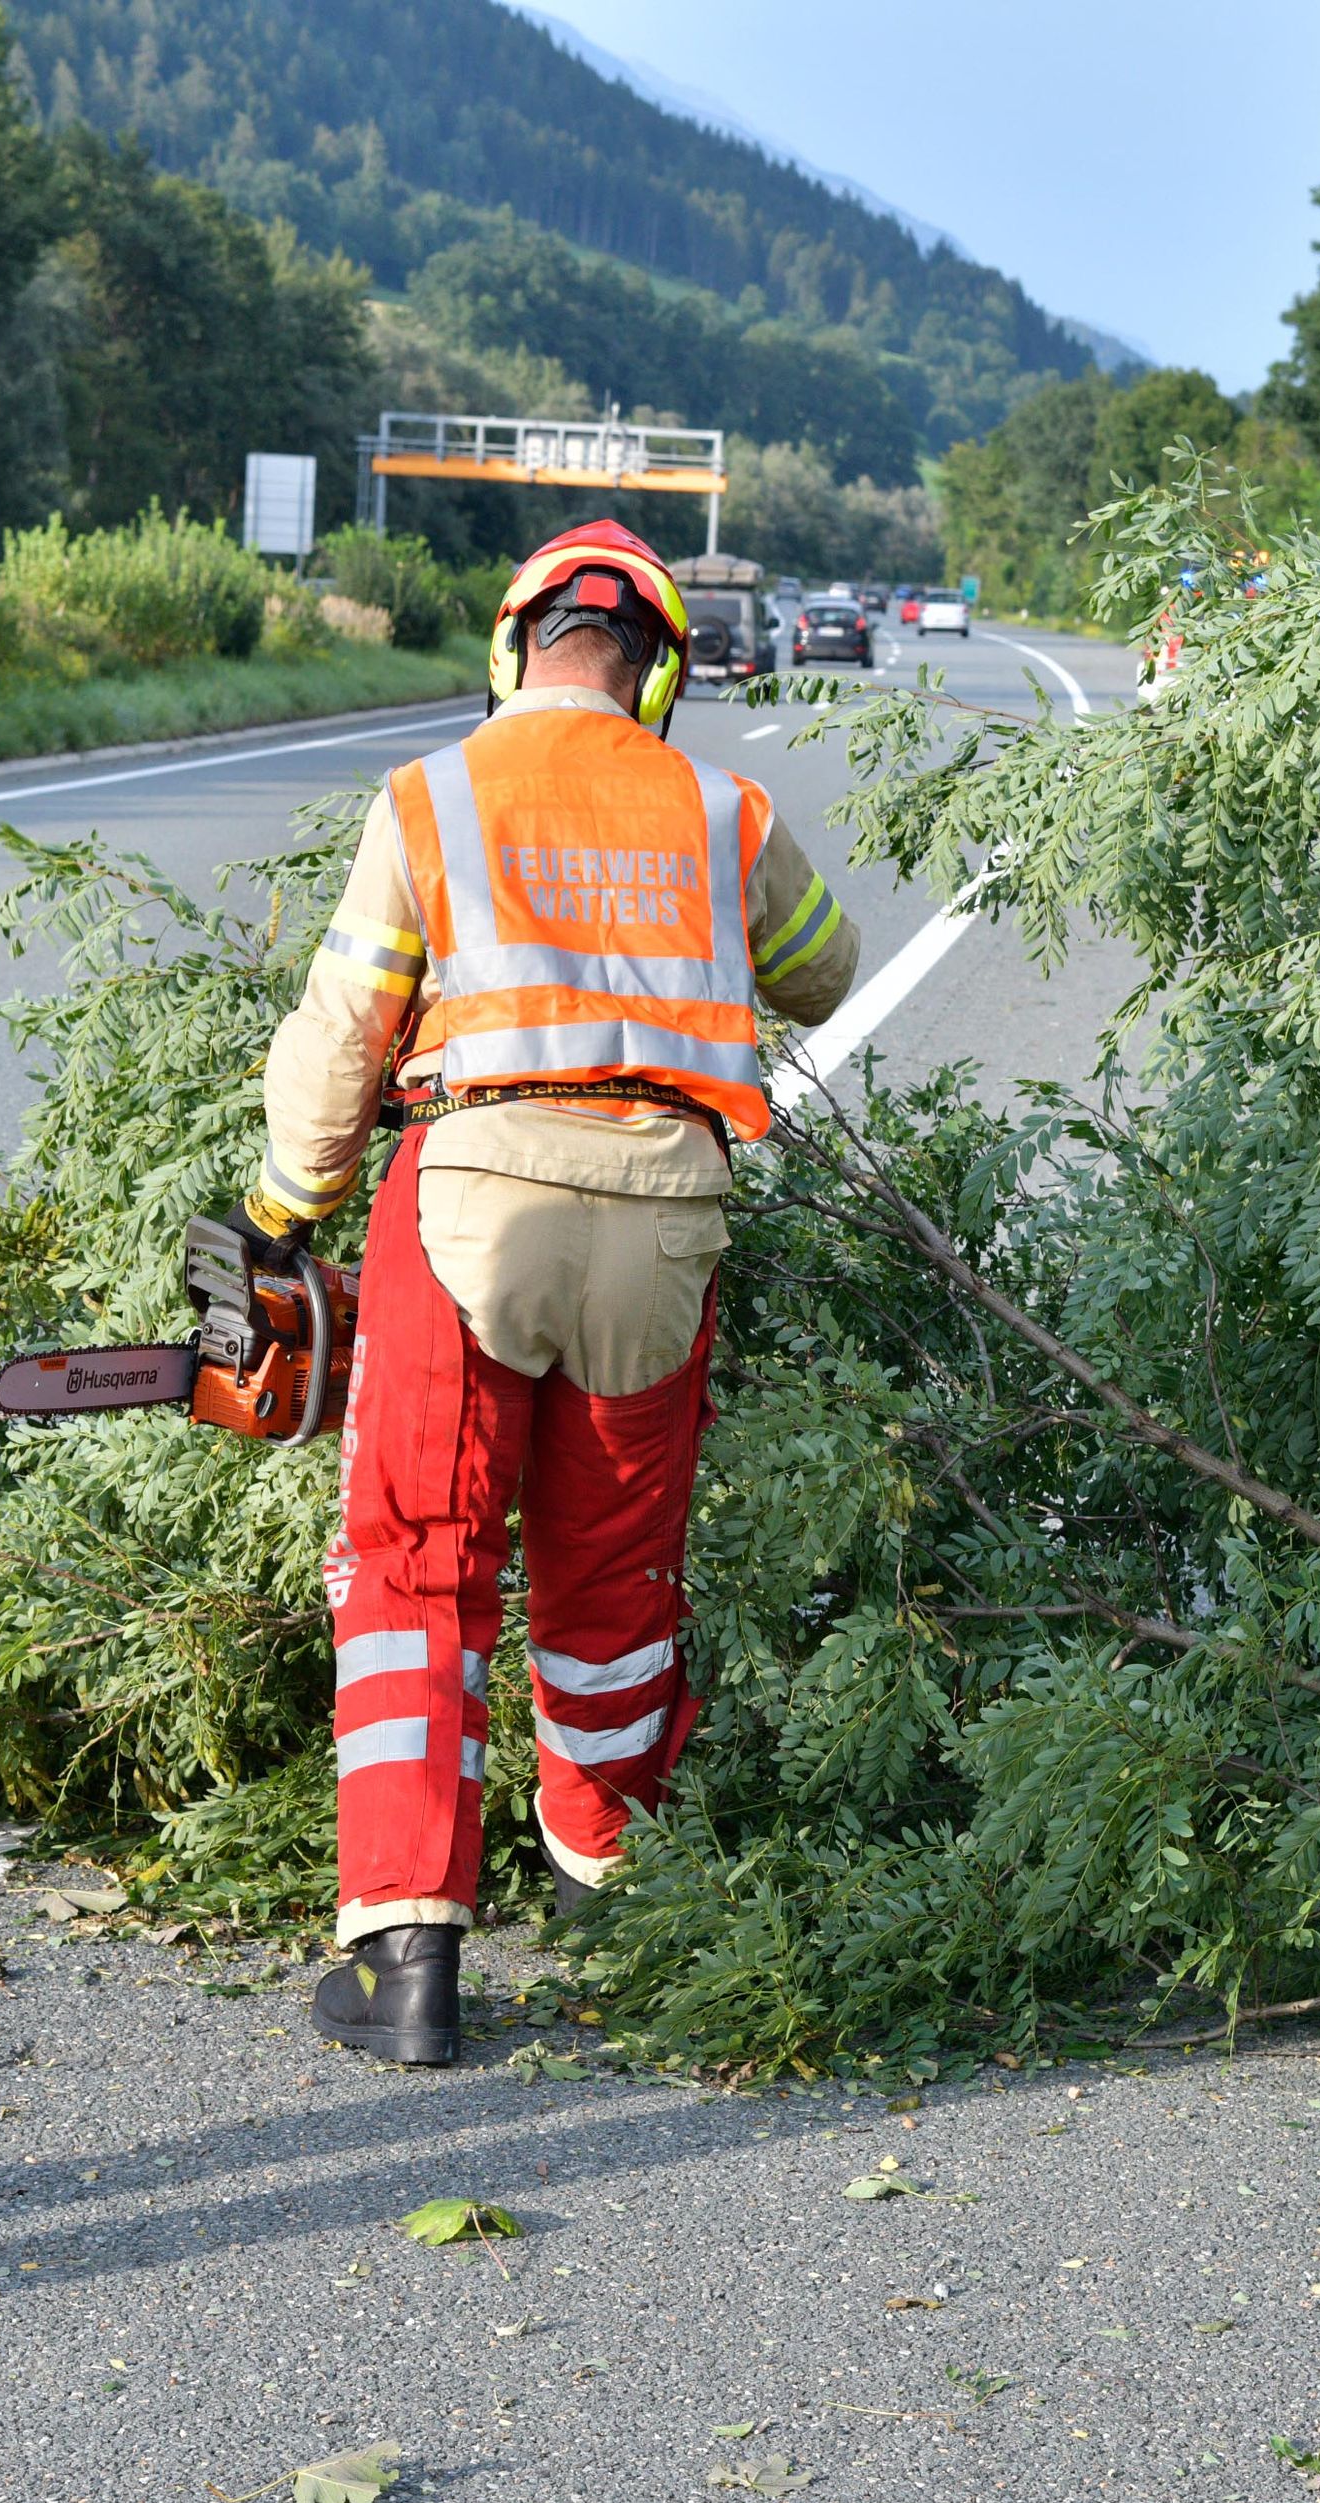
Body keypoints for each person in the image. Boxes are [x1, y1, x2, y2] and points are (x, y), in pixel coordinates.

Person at [243, 520, 862, 2066]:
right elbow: (825, 972)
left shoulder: (434, 796)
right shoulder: (722, 807)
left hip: (473, 1205)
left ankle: (408, 1963)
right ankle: (617, 1909)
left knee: (416, 1561)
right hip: (663, 1216)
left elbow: (341, 1031)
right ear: (659, 672)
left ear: (515, 646)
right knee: (613, 1573)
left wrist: (282, 1211)